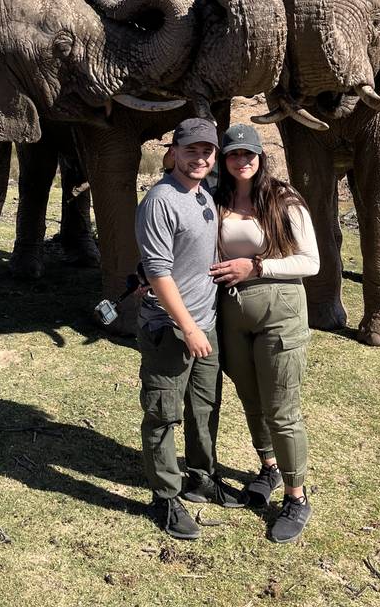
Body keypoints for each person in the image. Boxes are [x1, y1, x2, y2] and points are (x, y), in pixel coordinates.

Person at [210, 123, 319, 543]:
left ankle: (296, 496)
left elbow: (310, 262)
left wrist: (256, 266)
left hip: (280, 311)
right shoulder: (217, 198)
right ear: (225, 159)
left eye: (248, 154)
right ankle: (269, 468)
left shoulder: (283, 199)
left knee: (281, 408)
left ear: (260, 157)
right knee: (250, 397)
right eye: (234, 154)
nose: (241, 160)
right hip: (232, 313)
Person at [135, 117, 243, 540]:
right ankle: (165, 497)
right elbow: (158, 273)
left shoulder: (204, 196)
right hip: (171, 328)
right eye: (191, 150)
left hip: (206, 323)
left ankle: (201, 478)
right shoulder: (161, 200)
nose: (200, 158)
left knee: (204, 407)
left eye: (207, 151)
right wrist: (189, 328)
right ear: (173, 152)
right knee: (163, 413)